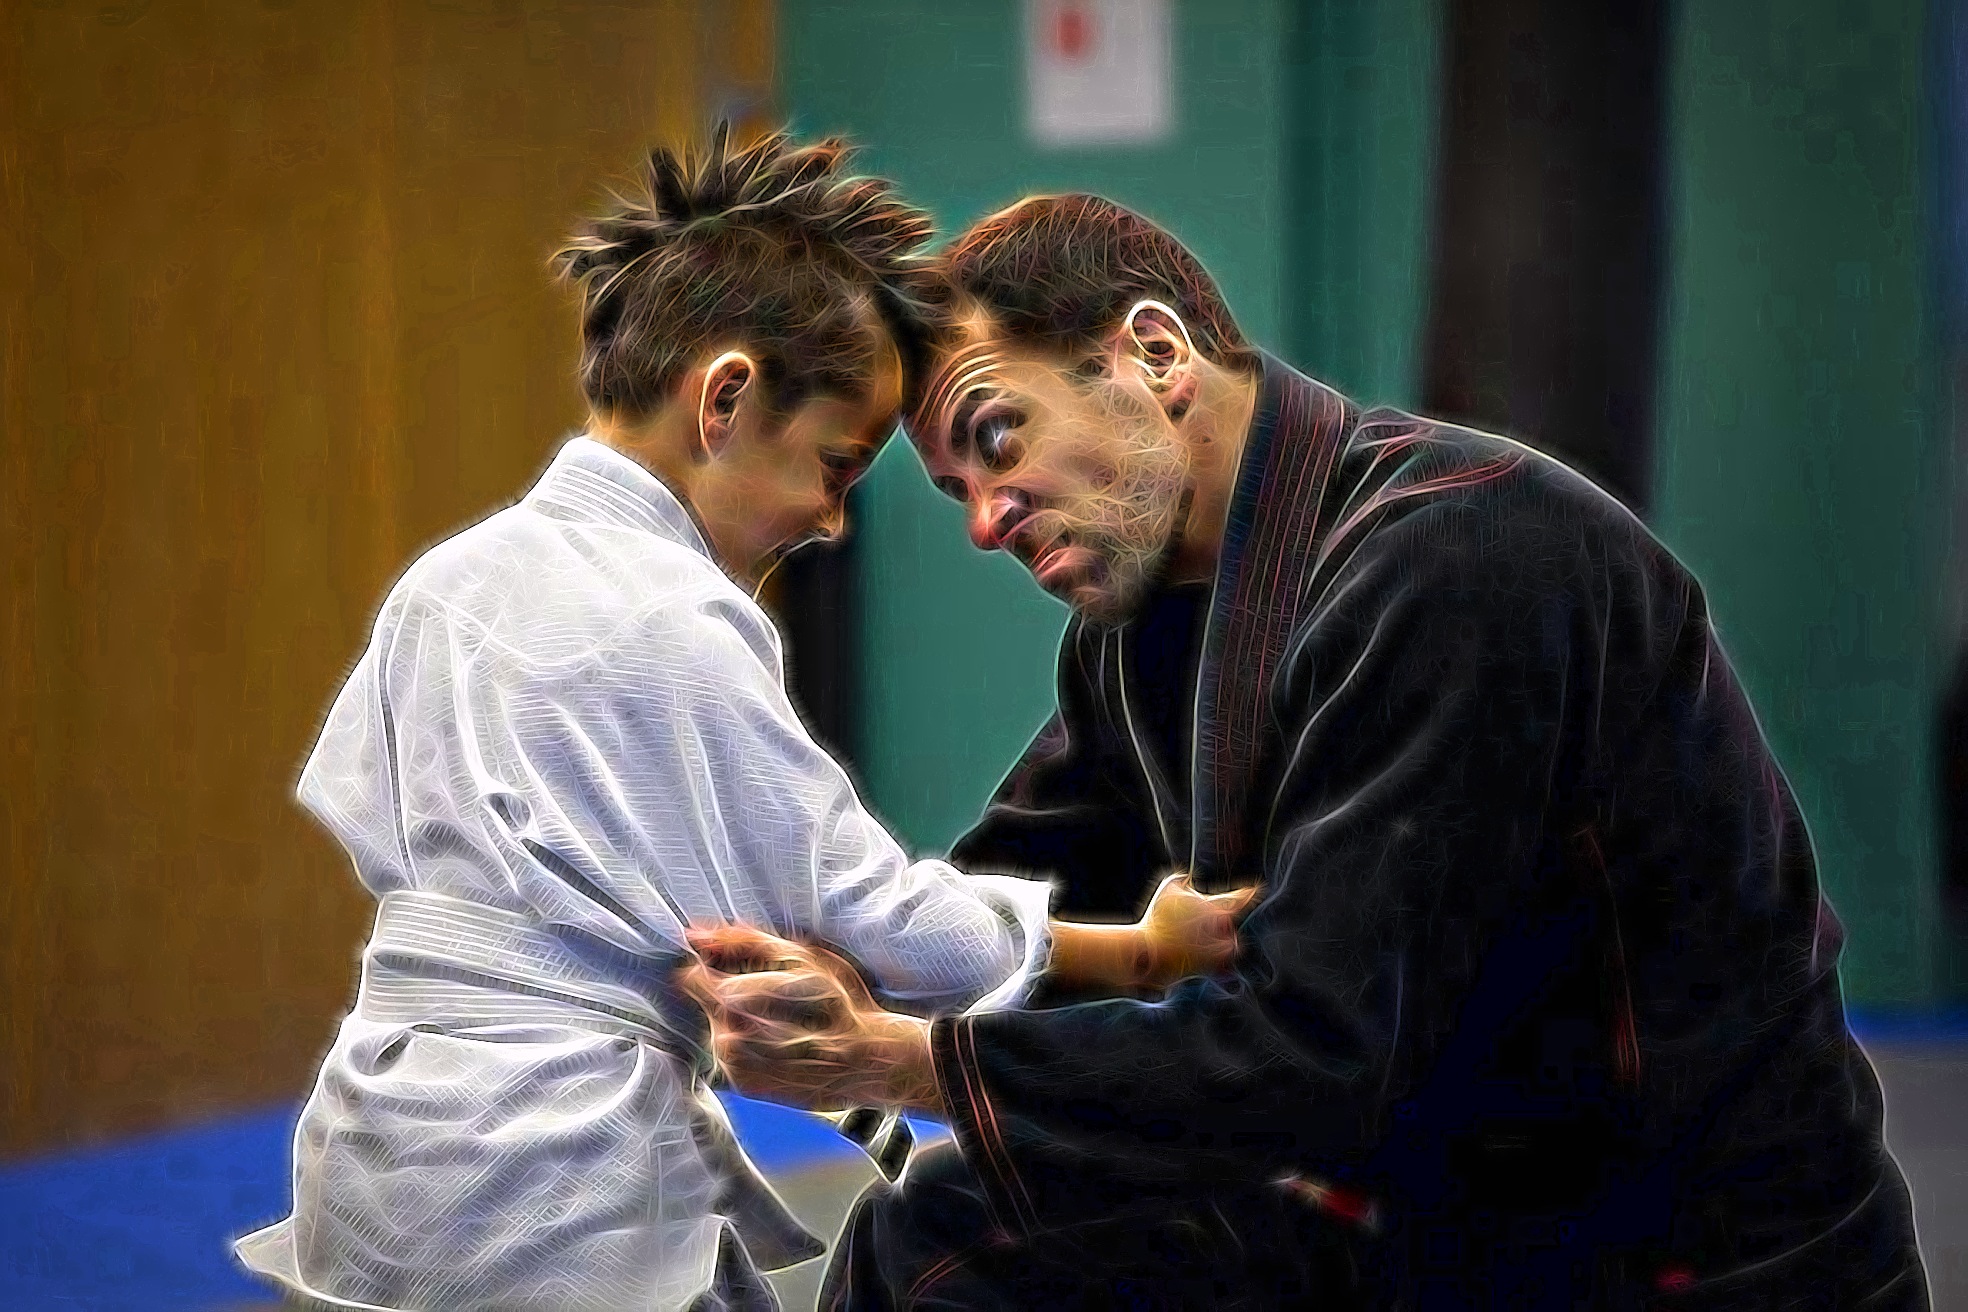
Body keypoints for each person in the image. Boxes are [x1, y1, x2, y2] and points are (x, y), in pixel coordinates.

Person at [685, 193, 1931, 1310]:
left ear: (1155, 353)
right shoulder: (1144, 627)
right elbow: (1011, 906)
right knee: (941, 1240)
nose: (984, 520)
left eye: (996, 439)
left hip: (1688, 1261)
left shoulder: (1466, 557)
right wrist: (816, 964)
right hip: (1433, 1229)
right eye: (957, 486)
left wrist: (905, 1061)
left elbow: (1315, 1051)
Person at [233, 139, 1245, 1312]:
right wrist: (1141, 951)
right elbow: (876, 914)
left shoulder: (444, 582)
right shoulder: (679, 611)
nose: (828, 521)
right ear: (724, 400)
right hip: (552, 1168)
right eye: (834, 467)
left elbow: (372, 806)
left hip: (377, 1129)